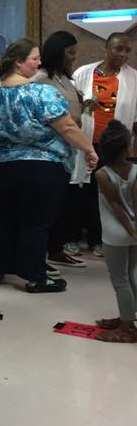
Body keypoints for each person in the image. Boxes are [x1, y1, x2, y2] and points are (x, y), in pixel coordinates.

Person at [0, 38, 98, 294]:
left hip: (3, 167)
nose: (39, 62)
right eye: (34, 58)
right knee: (36, 223)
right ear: (18, 63)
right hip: (42, 167)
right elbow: (66, 127)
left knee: (7, 218)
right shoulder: (41, 92)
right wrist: (88, 148)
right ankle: (35, 277)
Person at [70, 33, 137, 259]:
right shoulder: (84, 73)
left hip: (115, 144)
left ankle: (99, 238)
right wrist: (82, 104)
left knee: (109, 192)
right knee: (82, 188)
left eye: (127, 50)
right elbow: (70, 105)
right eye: (118, 49)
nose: (123, 54)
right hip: (86, 140)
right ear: (106, 48)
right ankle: (74, 236)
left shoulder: (133, 78)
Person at [32, 31, 86, 269]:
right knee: (46, 208)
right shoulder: (40, 79)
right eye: (70, 52)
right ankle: (42, 255)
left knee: (62, 205)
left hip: (67, 150)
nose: (74, 57)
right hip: (49, 150)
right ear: (58, 52)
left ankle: (56, 249)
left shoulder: (65, 78)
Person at [94, 121, 137, 342]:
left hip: (114, 234)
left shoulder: (102, 174)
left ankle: (127, 328)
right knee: (132, 275)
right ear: (126, 148)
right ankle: (128, 318)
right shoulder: (136, 171)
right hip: (133, 233)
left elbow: (115, 206)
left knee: (120, 279)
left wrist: (129, 230)